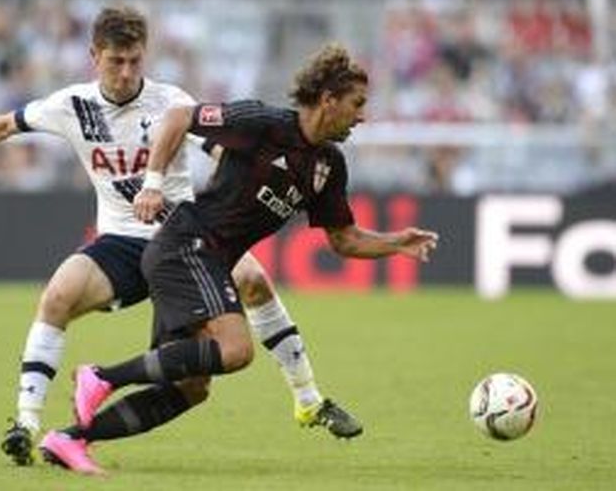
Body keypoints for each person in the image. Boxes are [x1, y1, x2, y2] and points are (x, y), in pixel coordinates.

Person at [0, 6, 362, 467]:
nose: (127, 72)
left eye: (135, 61)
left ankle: (308, 398)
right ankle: (24, 426)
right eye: (116, 61)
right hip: (120, 242)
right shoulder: (71, 105)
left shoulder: (171, 102)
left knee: (250, 287)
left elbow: (225, 150)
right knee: (58, 297)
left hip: (182, 234)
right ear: (95, 57)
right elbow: (4, 125)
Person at [39, 43, 439, 475]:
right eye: (356, 104)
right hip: (186, 244)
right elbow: (178, 116)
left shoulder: (329, 165)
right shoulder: (262, 123)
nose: (362, 115)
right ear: (328, 100)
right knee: (236, 350)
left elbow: (344, 239)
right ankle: (101, 377)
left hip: (206, 259)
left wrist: (395, 242)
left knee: (192, 388)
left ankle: (70, 439)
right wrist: (153, 184)